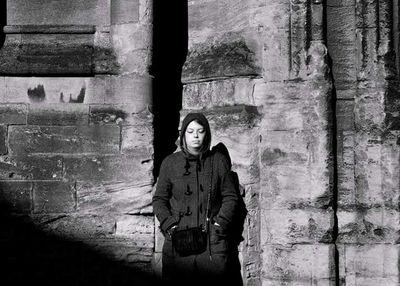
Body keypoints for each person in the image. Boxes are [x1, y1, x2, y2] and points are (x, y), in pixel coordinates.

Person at [152, 113, 243, 286]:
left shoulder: (218, 161)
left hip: (211, 244)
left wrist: (220, 225)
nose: (195, 136)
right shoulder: (170, 163)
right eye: (190, 131)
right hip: (178, 243)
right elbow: (159, 199)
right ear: (183, 135)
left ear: (206, 134)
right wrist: (170, 225)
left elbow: (230, 196)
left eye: (200, 131)